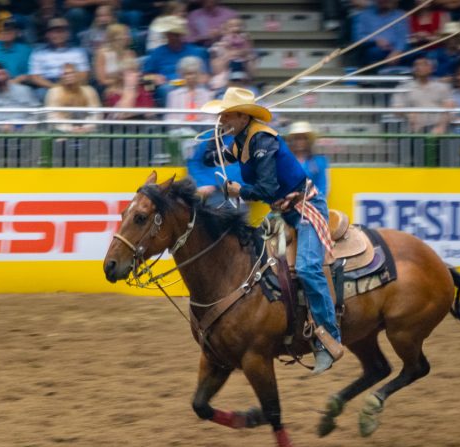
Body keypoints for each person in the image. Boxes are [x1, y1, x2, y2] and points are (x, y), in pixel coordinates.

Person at [199, 87, 343, 374]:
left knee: (307, 268)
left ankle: (329, 338)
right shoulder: (241, 139)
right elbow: (209, 160)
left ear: (242, 116)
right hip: (283, 212)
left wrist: (239, 189)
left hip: (305, 208)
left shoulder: (263, 140)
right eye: (221, 115)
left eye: (227, 115)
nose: (223, 119)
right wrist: (214, 139)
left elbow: (264, 188)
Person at [141, 15, 209, 106]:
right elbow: (145, 76)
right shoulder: (158, 52)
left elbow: (205, 77)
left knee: (202, 89)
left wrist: (197, 79)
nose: (172, 37)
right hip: (168, 85)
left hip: (192, 83)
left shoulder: (195, 51)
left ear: (180, 35)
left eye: (175, 35)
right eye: (169, 34)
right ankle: (172, 117)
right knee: (165, 90)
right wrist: (154, 77)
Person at [26, 18, 90, 99]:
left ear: (68, 34)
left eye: (62, 31)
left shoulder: (79, 52)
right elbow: (35, 77)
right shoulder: (38, 53)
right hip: (48, 85)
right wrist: (55, 87)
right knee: (40, 93)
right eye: (54, 32)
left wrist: (71, 85)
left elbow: (84, 74)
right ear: (47, 34)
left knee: (87, 91)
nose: (58, 35)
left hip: (73, 83)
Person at [393, 56, 452, 133]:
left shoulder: (443, 87)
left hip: (437, 131)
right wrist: (407, 114)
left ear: (432, 68)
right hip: (413, 131)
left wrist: (441, 126)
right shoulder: (403, 87)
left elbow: (449, 108)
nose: (419, 67)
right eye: (416, 65)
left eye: (424, 64)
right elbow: (397, 108)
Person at [0, 61, 39, 131]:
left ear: (8, 74)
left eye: (2, 73)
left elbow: (36, 112)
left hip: (24, 131)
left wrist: (25, 127)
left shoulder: (24, 90)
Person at [45, 62, 101, 133]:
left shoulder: (89, 91)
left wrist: (87, 127)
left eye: (72, 73)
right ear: (61, 76)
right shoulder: (54, 92)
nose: (69, 76)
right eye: (65, 74)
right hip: (62, 131)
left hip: (87, 131)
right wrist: (69, 128)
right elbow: (52, 115)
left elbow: (95, 113)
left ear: (77, 74)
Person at [353, 0, 409, 68]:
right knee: (373, 52)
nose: (384, 1)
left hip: (397, 52)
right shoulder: (364, 16)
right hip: (374, 52)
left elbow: (402, 38)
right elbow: (358, 37)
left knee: (416, 54)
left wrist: (397, 52)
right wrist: (376, 40)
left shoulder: (399, 15)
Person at [285, 121, 329, 197]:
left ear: (308, 141)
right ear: (292, 141)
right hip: (288, 203)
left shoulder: (319, 161)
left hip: (312, 203)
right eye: (297, 139)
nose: (300, 142)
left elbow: (323, 187)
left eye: (303, 139)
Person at [93, 23, 135, 89]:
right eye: (124, 34)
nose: (127, 37)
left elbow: (134, 74)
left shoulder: (130, 53)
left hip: (129, 86)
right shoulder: (102, 53)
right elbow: (102, 81)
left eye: (127, 34)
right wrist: (120, 82)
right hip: (109, 88)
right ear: (113, 37)